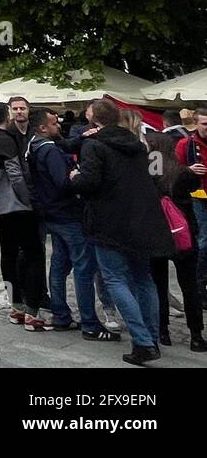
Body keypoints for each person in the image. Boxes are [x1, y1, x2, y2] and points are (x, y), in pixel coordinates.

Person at [70, 99, 175, 366]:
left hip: (110, 222)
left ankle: (143, 341)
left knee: (115, 279)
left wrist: (74, 178)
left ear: (94, 120)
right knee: (143, 279)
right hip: (140, 219)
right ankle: (150, 337)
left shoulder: (94, 145)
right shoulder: (137, 145)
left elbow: (90, 182)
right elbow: (148, 177)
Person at [24, 107, 118, 340]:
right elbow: (63, 183)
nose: (59, 127)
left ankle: (61, 315)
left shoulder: (33, 146)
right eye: (55, 124)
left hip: (50, 212)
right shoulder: (49, 150)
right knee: (84, 267)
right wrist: (75, 174)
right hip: (66, 214)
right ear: (43, 128)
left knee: (59, 264)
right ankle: (89, 323)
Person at [0, 101, 47, 330]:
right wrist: (27, 201)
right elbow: (15, 174)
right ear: (7, 116)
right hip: (14, 205)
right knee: (33, 252)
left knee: (8, 253)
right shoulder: (5, 140)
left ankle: (16, 306)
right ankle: (32, 312)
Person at [145, 124, 206, 351]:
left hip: (157, 233)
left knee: (158, 285)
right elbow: (193, 187)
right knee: (188, 285)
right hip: (184, 233)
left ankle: (162, 331)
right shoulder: (183, 173)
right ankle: (196, 335)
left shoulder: (151, 172)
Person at [173, 106, 207, 282]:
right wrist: (188, 169)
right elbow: (174, 170)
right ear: (195, 124)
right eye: (205, 124)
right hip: (197, 196)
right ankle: (199, 282)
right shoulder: (186, 144)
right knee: (203, 240)